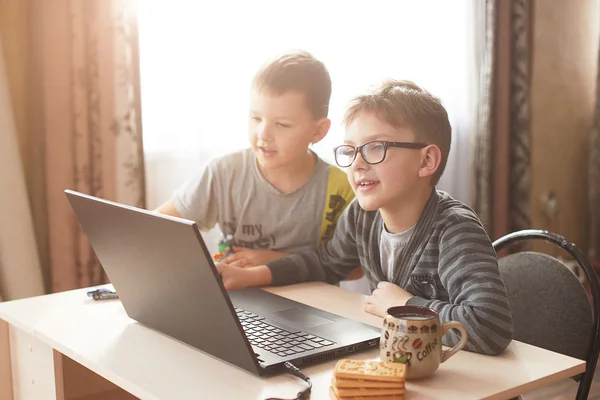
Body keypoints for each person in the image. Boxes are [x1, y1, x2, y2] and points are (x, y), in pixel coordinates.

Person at [216, 79, 514, 355]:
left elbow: (490, 326)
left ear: (426, 160)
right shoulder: (363, 216)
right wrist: (253, 275)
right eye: (350, 150)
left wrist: (404, 307)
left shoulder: (454, 230)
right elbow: (326, 263)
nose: (356, 164)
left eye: (375, 148)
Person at [155, 50, 355, 269]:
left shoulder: (341, 188)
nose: (263, 134)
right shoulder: (224, 172)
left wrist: (279, 261)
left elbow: (353, 268)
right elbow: (159, 226)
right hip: (239, 295)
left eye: (282, 125)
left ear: (318, 131)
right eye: (256, 118)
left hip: (310, 298)